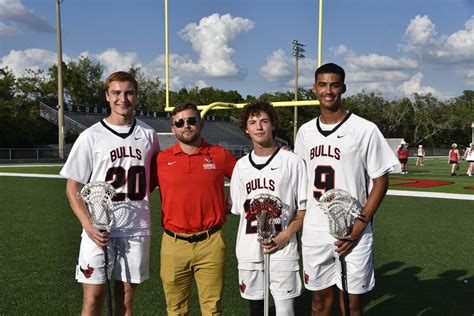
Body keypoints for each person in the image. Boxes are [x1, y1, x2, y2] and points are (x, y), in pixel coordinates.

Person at [294, 63, 399, 316]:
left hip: (354, 228)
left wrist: (360, 224)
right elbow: (299, 180)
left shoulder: (364, 129)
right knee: (319, 303)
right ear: (314, 89)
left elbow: (381, 180)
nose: (328, 90)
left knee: (351, 306)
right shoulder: (305, 131)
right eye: (322, 85)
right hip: (315, 229)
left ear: (343, 88)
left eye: (334, 85)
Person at [61, 71, 160, 316]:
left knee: (125, 301)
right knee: (93, 299)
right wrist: (88, 225)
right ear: (107, 96)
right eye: (116, 92)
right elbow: (73, 187)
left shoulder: (149, 135)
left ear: (136, 96)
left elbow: (153, 181)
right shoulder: (91, 136)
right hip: (99, 229)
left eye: (128, 92)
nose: (122, 98)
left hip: (136, 228)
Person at [155, 103, 237, 315]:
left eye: (191, 121)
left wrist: (232, 202)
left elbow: (248, 176)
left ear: (201, 123)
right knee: (175, 309)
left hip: (210, 242)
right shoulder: (161, 160)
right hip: (174, 244)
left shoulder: (219, 155)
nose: (186, 126)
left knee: (212, 309)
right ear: (173, 128)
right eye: (180, 123)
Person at [229, 102, 307, 316]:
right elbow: (238, 208)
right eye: (252, 122)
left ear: (273, 125)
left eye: (264, 121)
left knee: (285, 310)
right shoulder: (241, 166)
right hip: (249, 250)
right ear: (246, 128)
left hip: (284, 248)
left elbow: (303, 211)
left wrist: (284, 237)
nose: (259, 127)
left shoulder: (293, 162)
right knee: (256, 309)